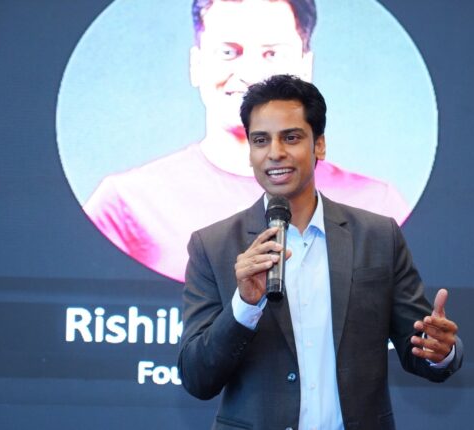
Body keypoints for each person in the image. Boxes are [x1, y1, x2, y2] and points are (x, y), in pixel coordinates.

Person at [178, 75, 462, 429]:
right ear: (250, 152)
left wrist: (439, 351)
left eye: (291, 137)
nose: (275, 153)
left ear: (320, 145)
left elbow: (418, 345)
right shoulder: (213, 245)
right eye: (261, 140)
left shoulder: (377, 236)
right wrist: (245, 305)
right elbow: (197, 378)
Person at [83, 0, 411, 281]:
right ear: (196, 65)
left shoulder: (376, 206)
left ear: (305, 66)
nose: (250, 74)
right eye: (229, 52)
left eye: (272, 53)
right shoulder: (127, 204)